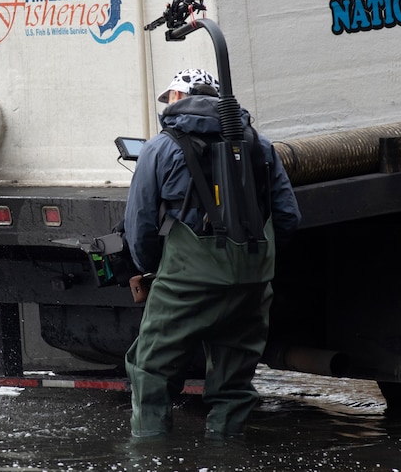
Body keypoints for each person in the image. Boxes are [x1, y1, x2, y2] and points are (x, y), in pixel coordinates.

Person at [123, 68, 301, 439]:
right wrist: (252, 262)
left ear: (181, 98)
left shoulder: (160, 147)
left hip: (185, 282)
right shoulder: (259, 144)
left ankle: (151, 460)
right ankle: (226, 455)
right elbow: (287, 216)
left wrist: (155, 269)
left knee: (150, 373)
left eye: (171, 96)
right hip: (252, 281)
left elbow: (139, 223)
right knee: (234, 387)